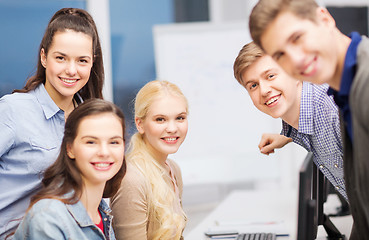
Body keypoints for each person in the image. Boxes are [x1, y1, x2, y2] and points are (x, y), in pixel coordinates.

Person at [249, 0, 369, 237]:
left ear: (324, 19)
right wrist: (288, 136)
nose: (295, 59)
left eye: (297, 37)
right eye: (280, 54)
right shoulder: (345, 96)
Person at [0, 8, 104, 237]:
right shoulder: (13, 110)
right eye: (61, 58)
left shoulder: (90, 120)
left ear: (92, 63)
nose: (71, 70)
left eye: (82, 60)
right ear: (44, 57)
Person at [233, 41, 346, 199]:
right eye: (253, 85)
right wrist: (286, 137)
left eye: (270, 76)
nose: (264, 90)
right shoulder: (303, 120)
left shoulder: (333, 111)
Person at [11, 99, 126, 240]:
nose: (104, 152)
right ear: (69, 148)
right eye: (91, 142)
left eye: (114, 142)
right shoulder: (49, 217)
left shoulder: (101, 212)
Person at [111, 80, 188, 240]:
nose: (173, 128)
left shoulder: (173, 169)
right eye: (160, 119)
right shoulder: (131, 180)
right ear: (140, 124)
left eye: (180, 118)